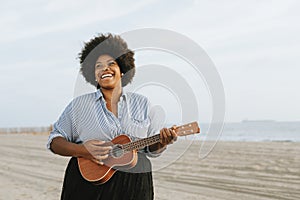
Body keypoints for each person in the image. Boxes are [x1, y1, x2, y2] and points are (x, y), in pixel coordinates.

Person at [47, 33, 177, 200]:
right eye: (98, 66)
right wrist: (83, 150)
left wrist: (162, 143)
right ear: (93, 74)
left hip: (135, 184)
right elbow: (54, 141)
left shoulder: (143, 104)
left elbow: (152, 149)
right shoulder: (79, 106)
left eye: (111, 63)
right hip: (88, 183)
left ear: (122, 70)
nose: (105, 68)